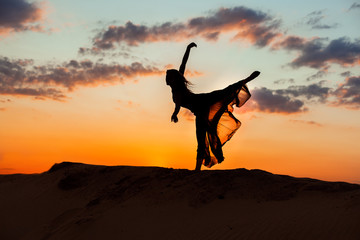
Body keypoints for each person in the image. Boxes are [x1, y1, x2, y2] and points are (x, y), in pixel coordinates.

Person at [166, 42, 260, 171]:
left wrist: (188, 49)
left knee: (222, 92)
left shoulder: (178, 89)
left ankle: (246, 79)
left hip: (202, 101)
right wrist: (175, 114)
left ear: (172, 79)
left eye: (168, 76)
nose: (166, 78)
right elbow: (178, 104)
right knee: (201, 138)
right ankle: (198, 168)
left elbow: (183, 63)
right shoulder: (175, 92)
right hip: (200, 110)